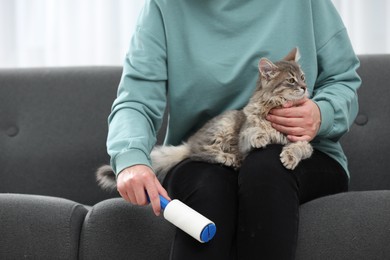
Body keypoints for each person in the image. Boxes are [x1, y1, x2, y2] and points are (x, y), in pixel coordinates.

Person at [106, 0, 361, 259]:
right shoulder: (163, 7)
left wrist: (321, 114)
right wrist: (131, 159)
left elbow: (342, 79)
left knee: (266, 168)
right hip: (208, 155)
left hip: (301, 152)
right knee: (208, 188)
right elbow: (136, 99)